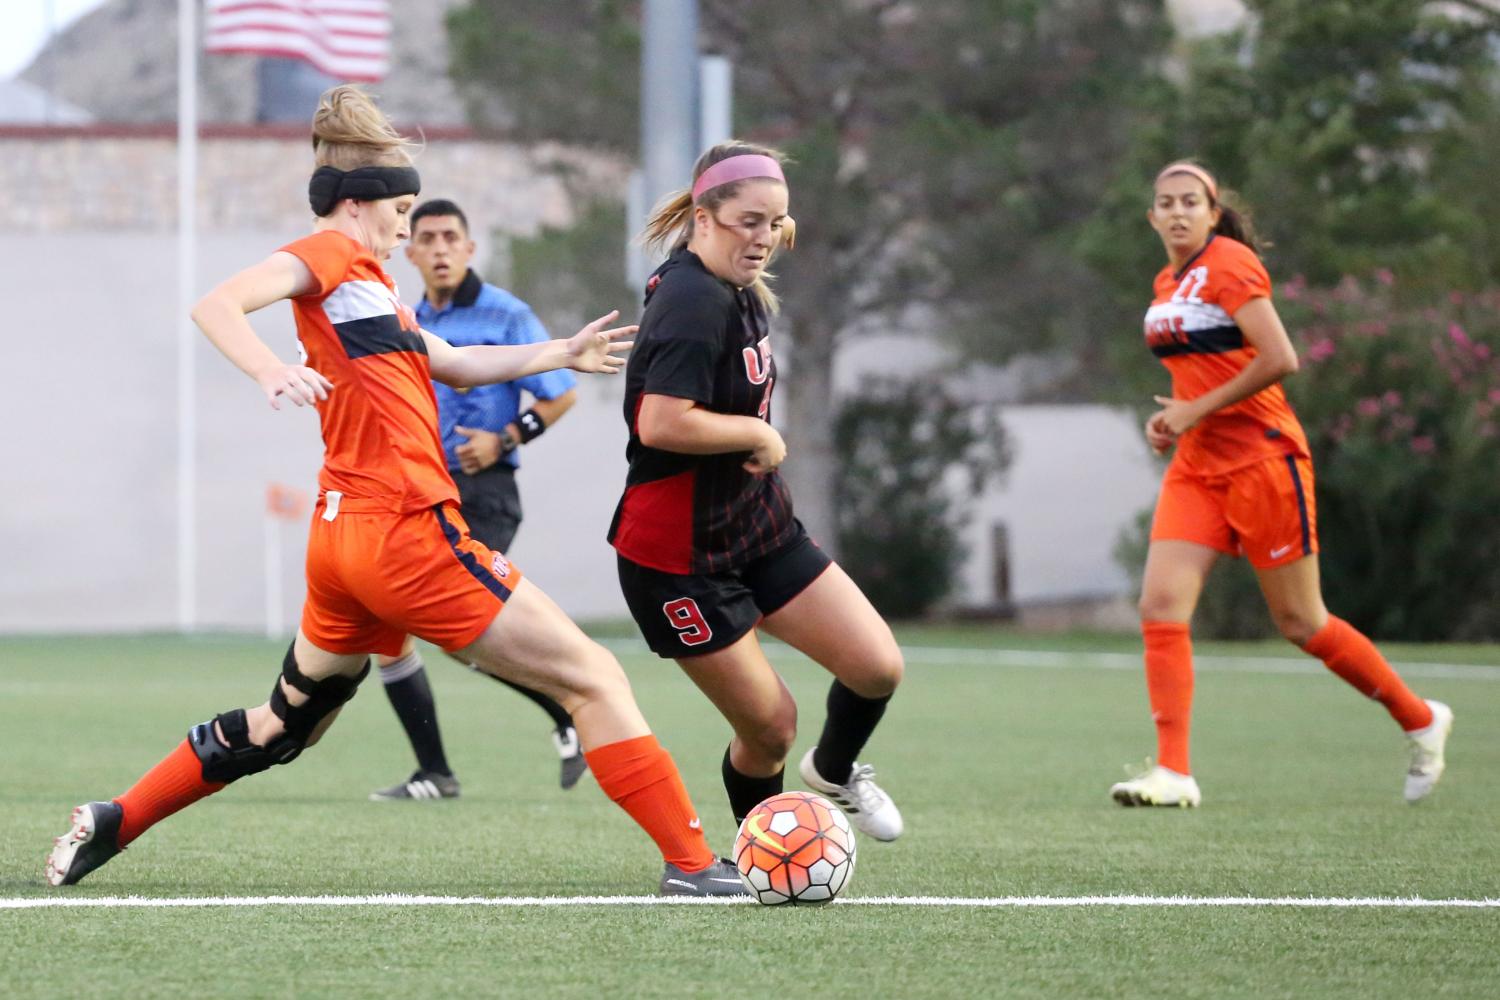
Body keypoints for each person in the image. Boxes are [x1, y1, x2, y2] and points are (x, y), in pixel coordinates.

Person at [45, 85, 745, 898]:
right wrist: (272, 368)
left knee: (284, 726)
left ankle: (116, 818)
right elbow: (218, 303)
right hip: (404, 531)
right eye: (402, 209)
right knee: (593, 678)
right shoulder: (333, 254)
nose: (408, 228)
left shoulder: (372, 289)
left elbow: (450, 360)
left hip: (343, 541)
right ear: (356, 204)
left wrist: (562, 351)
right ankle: (695, 866)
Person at [1110, 160, 1454, 808]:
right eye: (1166, 202)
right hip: (1197, 466)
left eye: (1192, 201)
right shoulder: (1166, 279)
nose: (1179, 211)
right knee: (1160, 608)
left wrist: (1194, 411)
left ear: (1213, 213)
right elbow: (1200, 373)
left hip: (1264, 462)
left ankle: (1419, 718)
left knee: (1303, 622)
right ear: (1152, 217)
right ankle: (1174, 772)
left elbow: (1281, 358)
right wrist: (1175, 420)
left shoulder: (1232, 262)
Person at [608, 140, 905, 840]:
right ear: (703, 218)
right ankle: (766, 853)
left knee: (876, 667)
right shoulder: (690, 299)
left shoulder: (736, 283)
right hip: (677, 557)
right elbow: (661, 421)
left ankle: (833, 774)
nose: (764, 238)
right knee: (771, 727)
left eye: (775, 223)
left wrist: (752, 442)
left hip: (756, 530)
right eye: (749, 221)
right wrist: (755, 435)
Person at [368, 198, 586, 801]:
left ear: (468, 249)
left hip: (484, 495)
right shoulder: (403, 318)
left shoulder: (506, 314)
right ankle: (436, 770)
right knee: (392, 628)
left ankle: (571, 704)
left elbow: (559, 395)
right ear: (409, 251)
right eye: (428, 238)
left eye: (451, 238)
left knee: (455, 627)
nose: (439, 248)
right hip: (419, 494)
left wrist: (506, 438)